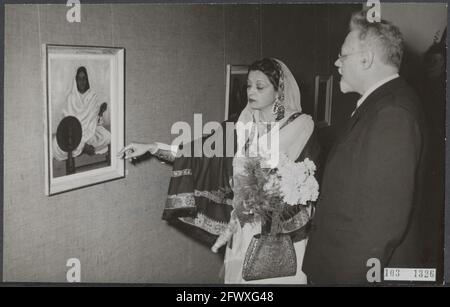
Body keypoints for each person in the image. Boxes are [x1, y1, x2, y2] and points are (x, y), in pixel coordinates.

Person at [118, 58, 320, 284]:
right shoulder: (240, 125)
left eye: (260, 86)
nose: (251, 91)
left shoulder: (300, 125)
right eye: (248, 85)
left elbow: (304, 181)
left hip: (282, 234)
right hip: (244, 228)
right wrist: (153, 147)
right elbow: (197, 152)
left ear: (279, 90)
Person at [303, 11, 429, 284]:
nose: (336, 62)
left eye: (342, 55)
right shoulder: (382, 103)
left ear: (366, 58)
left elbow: (380, 226)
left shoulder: (392, 113)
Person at [53, 66, 111, 161]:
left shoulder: (92, 96)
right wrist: (77, 136)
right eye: (79, 79)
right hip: (74, 133)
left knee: (107, 136)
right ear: (76, 81)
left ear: (87, 80)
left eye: (84, 79)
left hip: (90, 132)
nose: (82, 82)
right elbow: (66, 123)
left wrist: (100, 112)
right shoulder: (71, 98)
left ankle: (81, 147)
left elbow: (97, 124)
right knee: (55, 145)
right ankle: (83, 148)